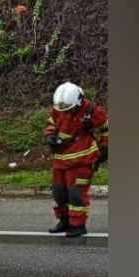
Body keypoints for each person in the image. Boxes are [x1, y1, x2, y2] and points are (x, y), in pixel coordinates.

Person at [43, 82, 108, 237]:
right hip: (61, 159)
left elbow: (106, 129)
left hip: (82, 160)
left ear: (78, 101)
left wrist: (105, 149)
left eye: (69, 108)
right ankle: (64, 221)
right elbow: (51, 123)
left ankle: (78, 226)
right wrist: (50, 135)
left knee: (76, 194)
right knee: (59, 193)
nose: (65, 111)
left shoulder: (93, 111)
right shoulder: (60, 107)